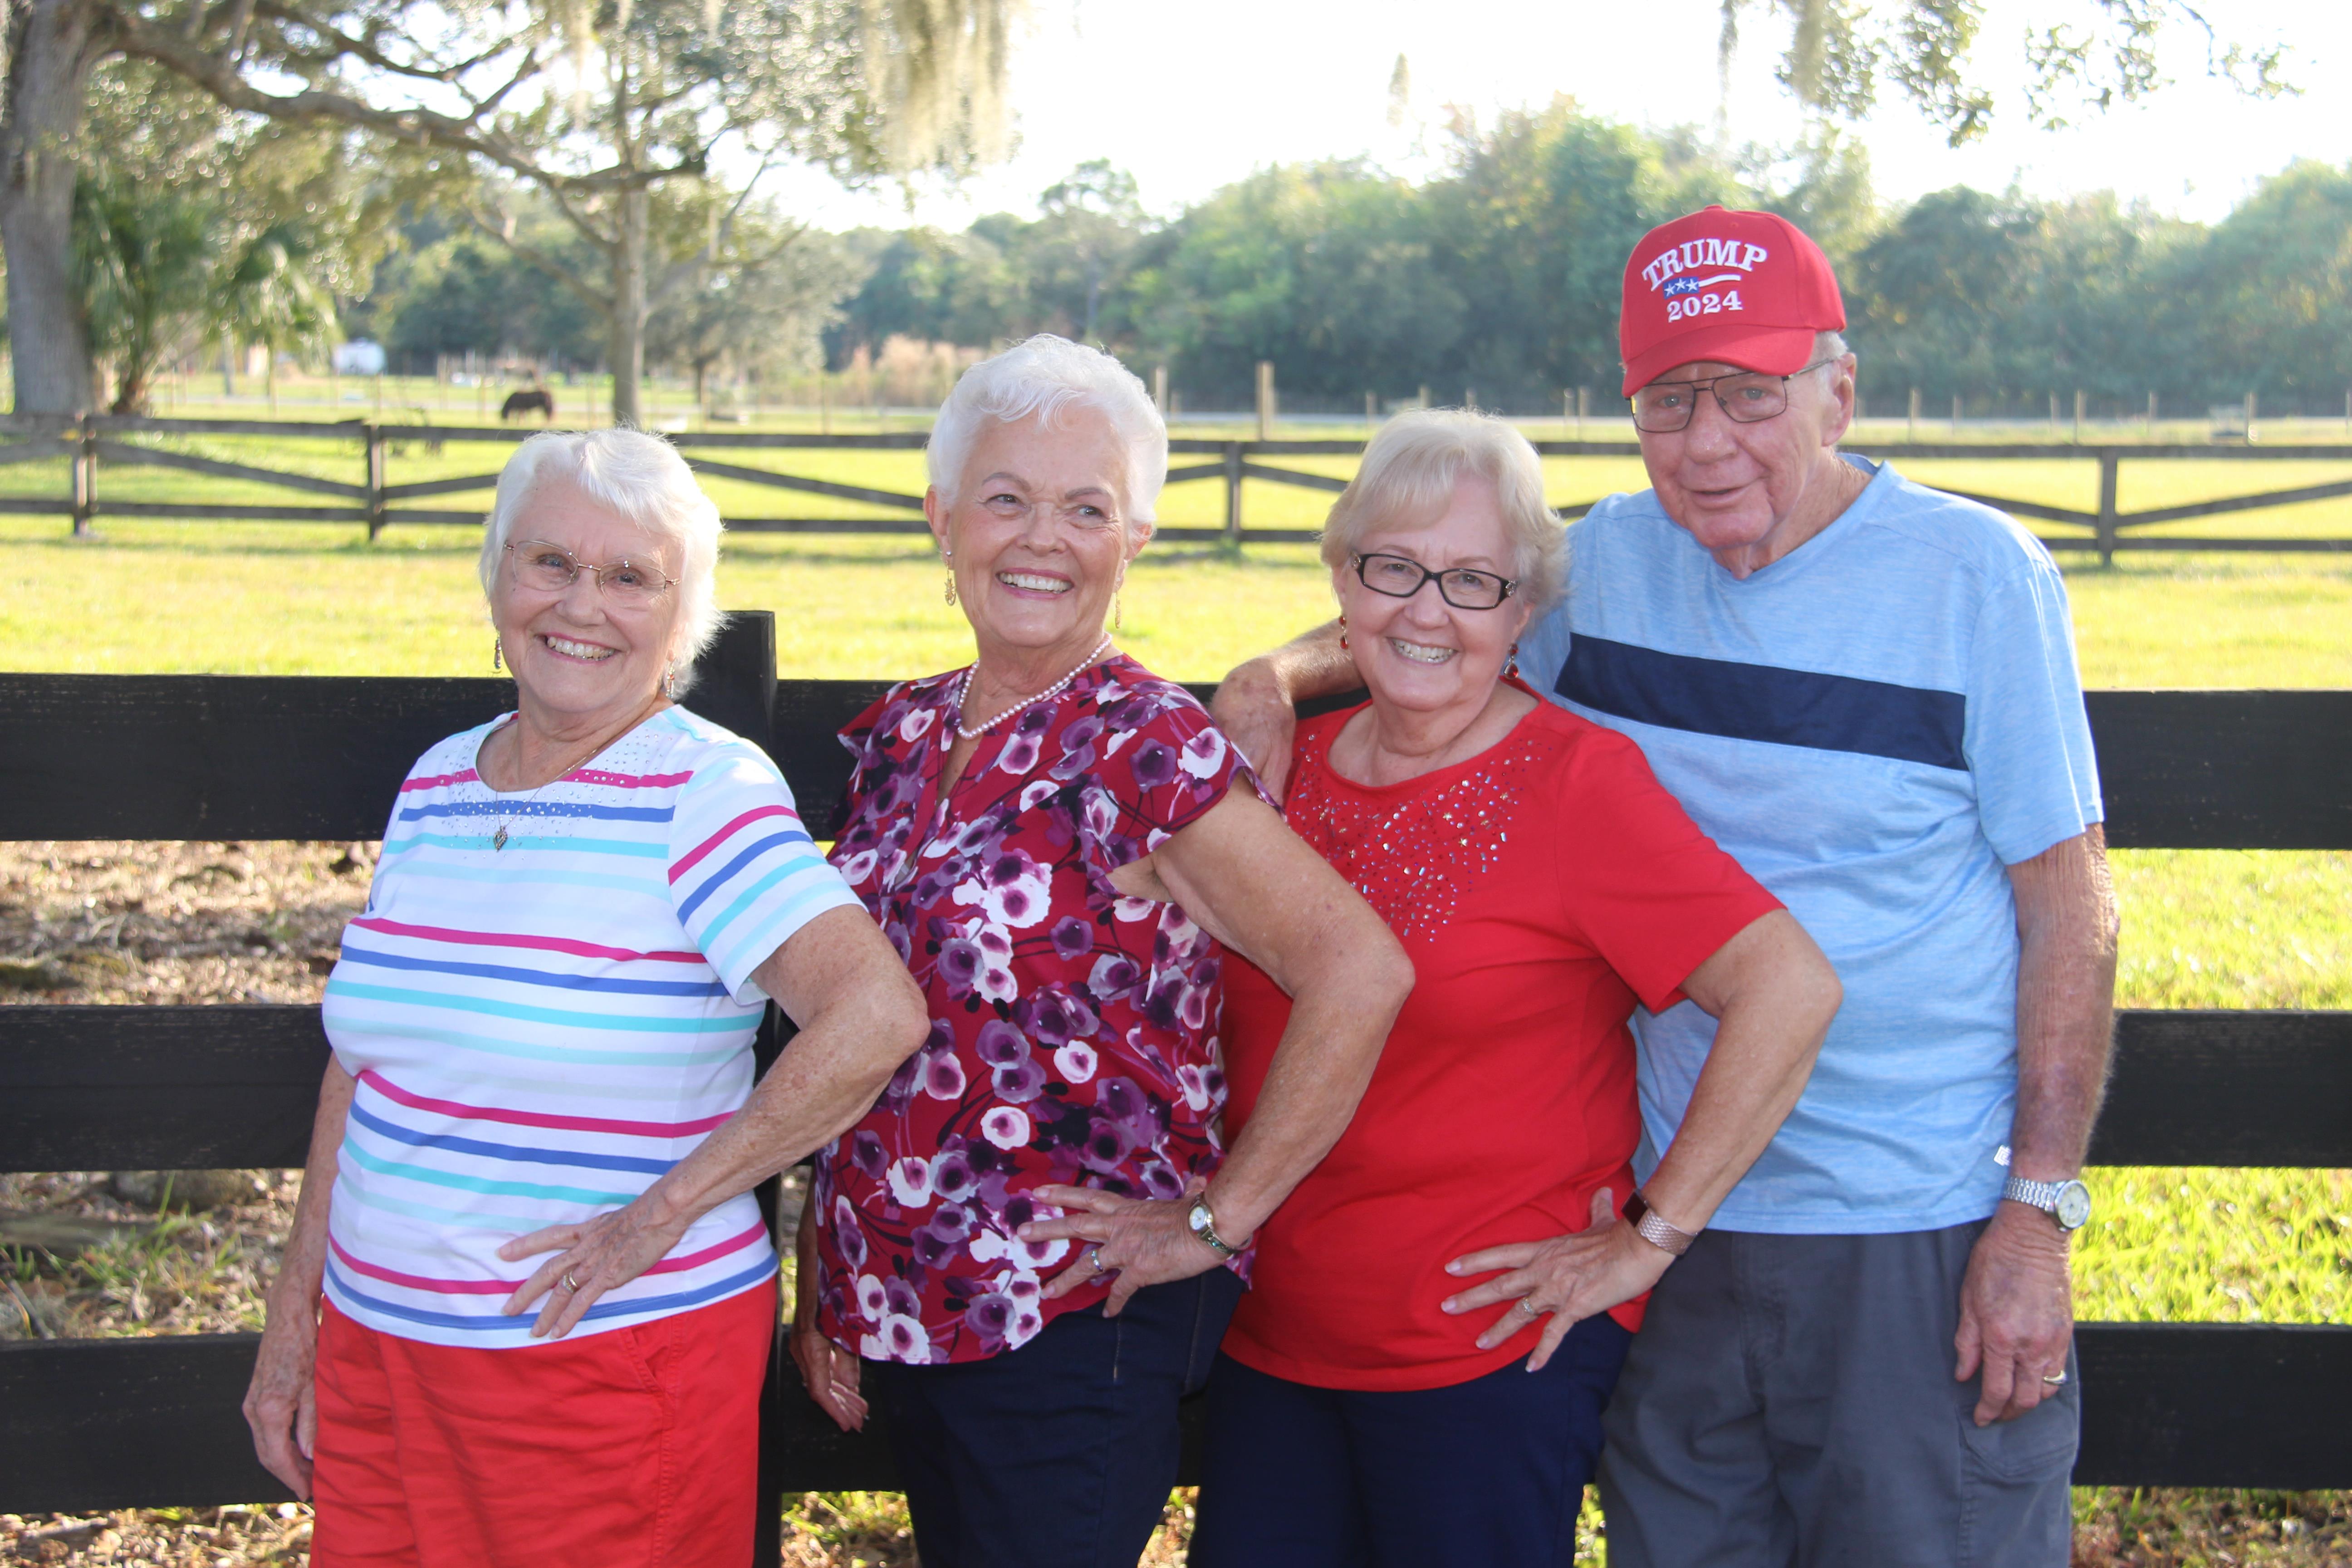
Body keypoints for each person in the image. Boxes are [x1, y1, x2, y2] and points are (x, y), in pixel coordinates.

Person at [1215, 207, 2118, 1567]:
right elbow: (1433, 606)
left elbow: (2071, 904)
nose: (1708, 444)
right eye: (1668, 402)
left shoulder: (1974, 576)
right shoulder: (1610, 565)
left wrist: (2035, 1213)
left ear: (1839, 390)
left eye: (1751, 396)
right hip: (1657, 1211)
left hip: (1907, 1217)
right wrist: (1268, 681)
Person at [242, 427, 931, 1568]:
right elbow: (364, 1065)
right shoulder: (436, 785)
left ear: (681, 616)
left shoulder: (701, 789)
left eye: (630, 577)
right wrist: (294, 1321)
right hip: (382, 1359)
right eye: (549, 561)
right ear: (498, 580)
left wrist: (648, 1224)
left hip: (597, 1369)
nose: (582, 604)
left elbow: (876, 1017)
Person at [789, 335, 1411, 1568]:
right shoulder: (906, 733)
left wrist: (1218, 1223)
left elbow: (1361, 971)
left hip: (1072, 1319)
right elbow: (857, 1030)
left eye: (1087, 509)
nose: (1041, 539)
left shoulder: (1144, 747)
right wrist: (829, 1276)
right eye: (1007, 499)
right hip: (905, 1305)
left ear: (1135, 539)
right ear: (942, 517)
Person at [1184, 409, 1842, 1568]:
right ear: (1342, 582)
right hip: (1268, 1334)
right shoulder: (1277, 771)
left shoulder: (1576, 782)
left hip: (1486, 1355)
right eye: (1394, 568)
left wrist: (1649, 1239)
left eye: (1475, 583)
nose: (1427, 612)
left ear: (1523, 614)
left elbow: (1788, 988)